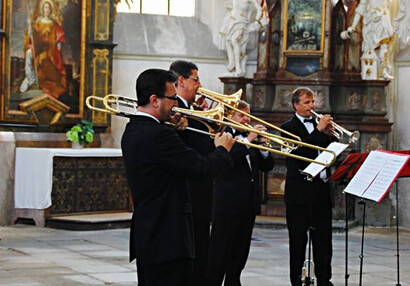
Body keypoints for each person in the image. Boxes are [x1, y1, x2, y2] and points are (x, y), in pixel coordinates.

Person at [121, 68, 236, 286]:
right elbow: (199, 168)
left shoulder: (133, 129)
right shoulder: (158, 134)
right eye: (172, 98)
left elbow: (165, 164)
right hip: (168, 238)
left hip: (150, 234)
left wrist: (176, 131)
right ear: (154, 100)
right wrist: (222, 150)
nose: (176, 104)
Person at [208, 100, 274, 286]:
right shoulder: (222, 135)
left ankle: (233, 281)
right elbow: (229, 157)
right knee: (220, 250)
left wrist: (264, 148)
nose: (246, 119)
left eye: (248, 115)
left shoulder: (248, 137)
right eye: (241, 115)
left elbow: (267, 166)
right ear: (229, 116)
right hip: (227, 202)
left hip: (247, 202)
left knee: (240, 251)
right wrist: (250, 139)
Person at [280, 87, 336, 286]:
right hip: (299, 193)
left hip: (321, 190)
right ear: (296, 105)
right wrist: (318, 131)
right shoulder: (287, 127)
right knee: (298, 240)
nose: (312, 106)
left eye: (313, 102)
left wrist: (331, 136)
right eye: (307, 102)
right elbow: (299, 155)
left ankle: (324, 279)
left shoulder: (319, 125)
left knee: (324, 240)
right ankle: (296, 279)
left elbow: (331, 152)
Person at [169, 60, 214, 286]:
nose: (200, 84)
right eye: (196, 79)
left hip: (199, 196)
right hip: (190, 195)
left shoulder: (192, 111)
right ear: (181, 81)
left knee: (200, 258)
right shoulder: (174, 111)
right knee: (193, 262)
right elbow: (198, 150)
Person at [20, 0, 67, 97]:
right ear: (42, 9)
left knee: (48, 58)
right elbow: (34, 36)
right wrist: (30, 31)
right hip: (39, 48)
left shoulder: (54, 23)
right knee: (29, 53)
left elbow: (59, 34)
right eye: (45, 7)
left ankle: (45, 82)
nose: (47, 10)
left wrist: (58, 44)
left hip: (50, 49)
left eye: (49, 7)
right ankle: (30, 78)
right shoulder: (38, 22)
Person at [341, 0, 394, 80]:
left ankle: (383, 72)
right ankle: (368, 73)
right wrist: (353, 26)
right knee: (369, 50)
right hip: (371, 23)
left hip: (383, 20)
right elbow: (360, 9)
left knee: (384, 48)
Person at [219, 0, 263, 77]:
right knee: (228, 42)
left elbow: (259, 8)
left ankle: (238, 67)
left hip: (242, 22)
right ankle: (232, 64)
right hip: (232, 22)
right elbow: (233, 9)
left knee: (234, 40)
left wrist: (256, 21)